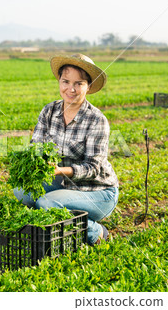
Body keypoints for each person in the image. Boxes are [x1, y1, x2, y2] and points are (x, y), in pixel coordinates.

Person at [14, 54, 119, 245]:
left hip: (97, 191)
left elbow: (94, 168)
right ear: (59, 81)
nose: (71, 89)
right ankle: (57, 225)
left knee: (47, 203)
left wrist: (59, 170)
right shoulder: (49, 111)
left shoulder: (96, 119)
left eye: (79, 83)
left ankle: (96, 231)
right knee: (22, 192)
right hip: (64, 184)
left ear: (88, 86)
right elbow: (36, 146)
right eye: (66, 81)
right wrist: (34, 161)